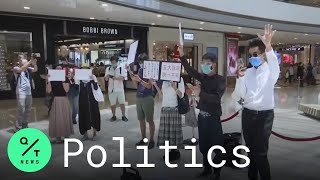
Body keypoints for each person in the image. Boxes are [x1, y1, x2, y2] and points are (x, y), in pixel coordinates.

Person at [233, 24, 280, 180]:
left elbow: (275, 68)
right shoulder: (247, 73)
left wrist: (268, 46)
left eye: (255, 54)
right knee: (250, 152)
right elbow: (240, 95)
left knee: (260, 153)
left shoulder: (270, 71)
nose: (252, 57)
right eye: (250, 54)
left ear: (263, 55)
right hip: (248, 114)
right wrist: (239, 79)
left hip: (264, 117)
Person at [178, 47, 226, 180]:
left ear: (214, 64)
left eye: (207, 64)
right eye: (203, 64)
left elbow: (216, 98)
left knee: (217, 147)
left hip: (213, 118)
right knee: (204, 146)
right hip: (202, 117)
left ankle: (217, 171)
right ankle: (206, 169)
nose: (204, 66)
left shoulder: (220, 80)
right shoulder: (203, 77)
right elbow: (190, 71)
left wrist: (200, 94)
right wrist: (182, 56)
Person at [153, 63, 185, 162]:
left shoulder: (179, 79)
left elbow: (181, 95)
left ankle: (175, 151)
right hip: (165, 108)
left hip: (174, 109)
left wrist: (175, 87)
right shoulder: (164, 80)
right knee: (166, 132)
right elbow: (161, 95)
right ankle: (169, 151)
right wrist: (155, 85)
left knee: (174, 131)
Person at [127, 53, 156, 149]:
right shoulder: (140, 70)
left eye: (142, 62)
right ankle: (143, 138)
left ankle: (151, 140)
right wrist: (129, 71)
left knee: (150, 120)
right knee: (141, 120)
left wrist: (139, 80)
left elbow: (149, 85)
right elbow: (136, 85)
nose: (141, 64)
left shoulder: (151, 71)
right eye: (140, 62)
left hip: (148, 97)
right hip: (139, 97)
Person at [47, 66, 74, 144]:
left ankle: (66, 136)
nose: (58, 71)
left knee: (65, 117)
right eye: (57, 70)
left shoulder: (65, 78)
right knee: (56, 118)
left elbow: (66, 90)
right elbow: (49, 91)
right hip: (55, 100)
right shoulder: (52, 79)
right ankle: (57, 137)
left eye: (60, 70)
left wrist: (63, 80)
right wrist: (48, 80)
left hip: (64, 99)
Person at [13, 55, 38, 131]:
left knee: (28, 109)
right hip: (21, 92)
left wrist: (34, 63)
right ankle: (18, 127)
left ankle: (25, 124)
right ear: (20, 63)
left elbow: (36, 69)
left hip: (28, 92)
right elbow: (21, 70)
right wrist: (30, 61)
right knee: (21, 109)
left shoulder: (28, 69)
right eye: (25, 63)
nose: (27, 64)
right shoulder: (16, 68)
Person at [105, 56, 128, 122]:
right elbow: (106, 79)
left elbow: (124, 78)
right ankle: (113, 116)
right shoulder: (108, 69)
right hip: (111, 89)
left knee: (122, 103)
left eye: (114, 62)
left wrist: (115, 78)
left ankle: (123, 116)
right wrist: (107, 77)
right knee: (112, 104)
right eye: (112, 62)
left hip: (120, 89)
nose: (113, 63)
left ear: (117, 61)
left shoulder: (121, 68)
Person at [79, 74, 101, 141]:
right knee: (83, 116)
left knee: (95, 115)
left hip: (93, 100)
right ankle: (85, 134)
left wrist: (92, 80)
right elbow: (77, 88)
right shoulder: (79, 78)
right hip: (83, 100)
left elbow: (96, 88)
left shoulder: (93, 76)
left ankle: (94, 133)